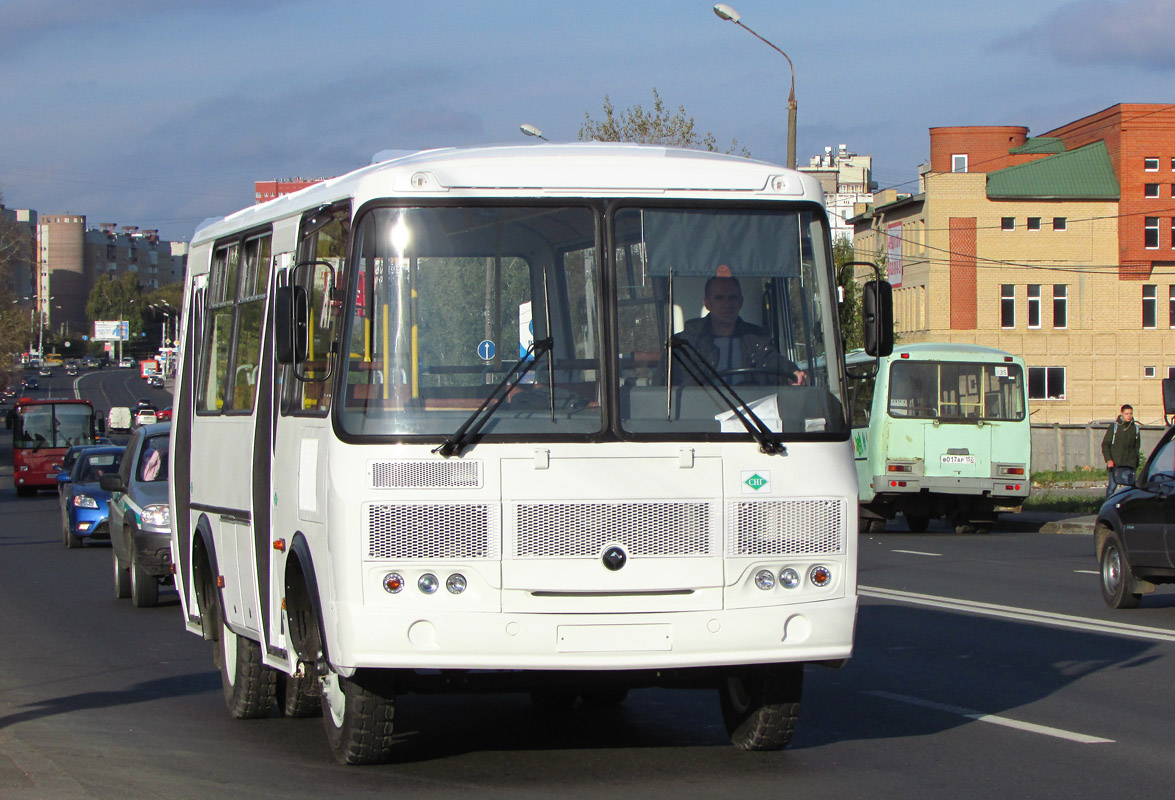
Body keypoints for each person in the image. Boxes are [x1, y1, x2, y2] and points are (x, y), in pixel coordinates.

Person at [677, 271, 806, 386]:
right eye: (720, 298)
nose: (727, 304)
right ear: (708, 304)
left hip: (749, 411)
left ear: (741, 302)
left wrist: (792, 373)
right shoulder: (684, 345)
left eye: (732, 298)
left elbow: (773, 361)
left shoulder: (757, 340)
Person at [1101, 403, 1141, 497]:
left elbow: (1136, 447)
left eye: (1130, 413)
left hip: (1129, 463)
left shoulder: (1135, 428)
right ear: (1121, 414)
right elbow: (1105, 445)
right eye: (1127, 413)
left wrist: (1135, 462)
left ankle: (1128, 506)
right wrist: (1109, 460)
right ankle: (1108, 504)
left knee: (1131, 487)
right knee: (1112, 486)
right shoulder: (1115, 427)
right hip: (1116, 463)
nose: (1129, 416)